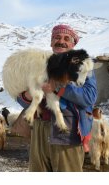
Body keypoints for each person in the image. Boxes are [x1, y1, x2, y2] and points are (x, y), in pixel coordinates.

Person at [16, 24, 97, 171]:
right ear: (51, 42)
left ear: (73, 44)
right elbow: (21, 99)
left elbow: (89, 98)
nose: (61, 41)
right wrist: (28, 95)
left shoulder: (84, 66)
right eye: (57, 38)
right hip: (39, 131)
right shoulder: (40, 63)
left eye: (67, 38)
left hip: (67, 133)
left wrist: (59, 87)